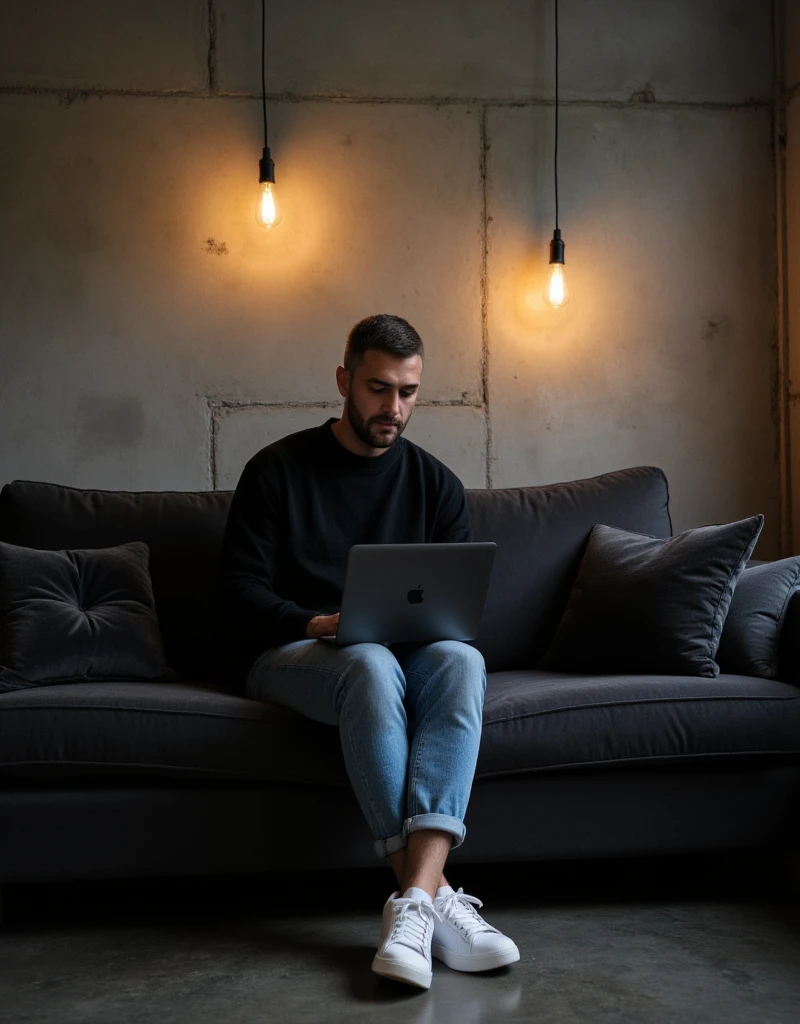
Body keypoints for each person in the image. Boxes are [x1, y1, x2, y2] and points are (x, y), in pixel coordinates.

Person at [215, 313, 520, 990]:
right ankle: (432, 898)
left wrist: (427, 628)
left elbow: (453, 606)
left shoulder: (434, 483)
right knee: (368, 661)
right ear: (344, 380)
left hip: (397, 655)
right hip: (292, 654)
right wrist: (318, 621)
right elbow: (238, 595)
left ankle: (415, 904)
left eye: (409, 392)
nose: (395, 408)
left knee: (461, 660)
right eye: (380, 389)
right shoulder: (275, 470)